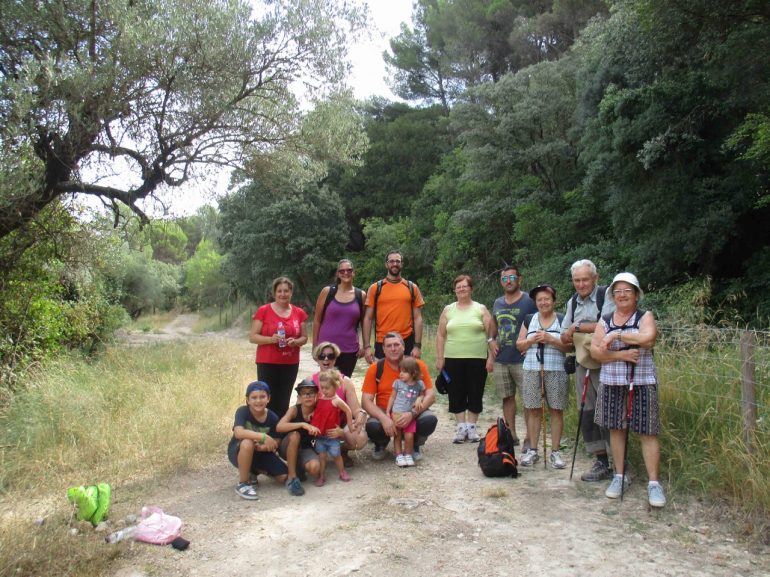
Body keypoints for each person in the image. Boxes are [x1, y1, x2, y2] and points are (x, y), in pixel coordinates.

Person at [591, 272, 666, 508]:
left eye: (627, 291)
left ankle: (654, 483)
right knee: (616, 429)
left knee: (648, 431)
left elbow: (649, 338)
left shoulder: (645, 316)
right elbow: (596, 352)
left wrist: (616, 334)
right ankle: (619, 476)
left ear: (636, 294)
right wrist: (621, 354)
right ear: (612, 295)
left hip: (642, 380)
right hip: (612, 381)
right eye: (617, 292)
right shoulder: (604, 319)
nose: (622, 295)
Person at [560, 259, 615, 482]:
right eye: (576, 280)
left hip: (609, 364)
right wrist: (568, 333)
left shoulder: (606, 296)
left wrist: (578, 327)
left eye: (585, 279)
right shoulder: (572, 302)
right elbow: (565, 332)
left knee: (610, 412)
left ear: (595, 277)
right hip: (584, 363)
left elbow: (610, 323)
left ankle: (618, 462)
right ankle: (600, 460)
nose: (581, 284)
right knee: (588, 412)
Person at [516, 284, 572, 468]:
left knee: (556, 410)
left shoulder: (563, 320)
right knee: (533, 409)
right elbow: (519, 345)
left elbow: (569, 347)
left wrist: (551, 339)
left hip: (556, 370)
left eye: (547, 299)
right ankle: (533, 450)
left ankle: (555, 452)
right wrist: (531, 340)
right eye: (539, 300)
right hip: (532, 368)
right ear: (535, 302)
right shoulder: (529, 319)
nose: (543, 302)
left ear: (554, 301)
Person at [436, 275, 495, 443]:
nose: (461, 289)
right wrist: (440, 358)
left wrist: (491, 357)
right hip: (453, 358)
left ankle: (472, 427)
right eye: (458, 287)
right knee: (456, 392)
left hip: (477, 358)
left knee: (475, 391)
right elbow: (440, 335)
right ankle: (461, 428)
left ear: (471, 289)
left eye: (465, 286)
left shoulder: (481, 309)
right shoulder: (448, 310)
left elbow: (491, 335)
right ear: (454, 290)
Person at [361, 332, 438, 461]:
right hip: (386, 410)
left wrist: (412, 413)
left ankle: (414, 444)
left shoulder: (417, 365)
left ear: (403, 347)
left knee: (429, 420)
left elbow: (430, 396)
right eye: (389, 346)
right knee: (373, 426)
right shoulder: (375, 368)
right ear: (383, 350)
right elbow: (366, 401)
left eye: (396, 344)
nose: (393, 348)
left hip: (412, 409)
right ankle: (381, 444)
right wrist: (384, 418)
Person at [490, 266, 537, 447]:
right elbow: (493, 324)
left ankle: (529, 438)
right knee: (507, 398)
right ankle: (511, 435)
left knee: (529, 400)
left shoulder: (529, 301)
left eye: (511, 277)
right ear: (501, 282)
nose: (508, 281)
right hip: (502, 358)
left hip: (523, 359)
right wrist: (490, 340)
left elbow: (540, 321)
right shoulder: (498, 303)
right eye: (504, 279)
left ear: (519, 279)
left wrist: (531, 343)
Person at [249, 276, 308, 417]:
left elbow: (305, 338)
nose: (283, 294)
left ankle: (280, 433)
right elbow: (253, 337)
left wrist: (296, 342)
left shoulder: (299, 313)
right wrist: (271, 339)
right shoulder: (263, 310)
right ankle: (265, 430)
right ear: (274, 293)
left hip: (290, 363)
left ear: (291, 292)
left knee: (284, 399)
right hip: (267, 362)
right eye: (279, 291)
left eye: (286, 291)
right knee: (266, 398)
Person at [227, 381, 288, 500]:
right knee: (247, 442)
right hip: (238, 451)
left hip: (260, 452)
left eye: (262, 397)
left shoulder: (272, 417)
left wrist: (265, 447)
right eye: (254, 397)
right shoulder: (243, 411)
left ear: (268, 398)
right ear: (248, 400)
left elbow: (276, 440)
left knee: (284, 477)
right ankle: (243, 483)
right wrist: (263, 437)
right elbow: (238, 433)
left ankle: (253, 471)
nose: (258, 401)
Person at [362, 250, 425, 362]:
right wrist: (367, 347)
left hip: (406, 341)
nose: (394, 264)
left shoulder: (411, 287)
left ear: (402, 264)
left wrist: (417, 346)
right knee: (383, 377)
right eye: (391, 261)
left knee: (407, 377)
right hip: (382, 342)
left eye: (397, 261)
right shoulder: (375, 288)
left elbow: (418, 318)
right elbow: (367, 318)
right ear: (386, 264)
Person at [311, 341, 368, 461]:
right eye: (322, 356)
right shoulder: (310, 381)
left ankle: (341, 450)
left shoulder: (345, 381)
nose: (326, 359)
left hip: (339, 424)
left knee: (359, 437)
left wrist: (361, 414)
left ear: (335, 359)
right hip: (318, 425)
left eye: (330, 356)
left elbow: (356, 409)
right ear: (317, 359)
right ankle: (314, 452)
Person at [311, 259, 365, 377]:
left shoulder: (360, 295)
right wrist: (315, 346)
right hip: (326, 349)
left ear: (353, 272)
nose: (346, 273)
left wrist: (363, 344)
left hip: (350, 349)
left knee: (344, 384)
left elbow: (364, 323)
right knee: (326, 383)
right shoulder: (327, 292)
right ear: (338, 274)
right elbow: (317, 320)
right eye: (342, 271)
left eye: (349, 270)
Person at [276, 379, 323, 497]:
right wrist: (303, 424)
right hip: (287, 446)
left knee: (315, 468)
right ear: (299, 397)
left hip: (305, 448)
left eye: (311, 393)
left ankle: (298, 468)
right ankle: (292, 478)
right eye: (304, 393)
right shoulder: (294, 410)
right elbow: (279, 427)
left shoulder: (319, 410)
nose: (308, 396)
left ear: (317, 395)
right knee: (295, 435)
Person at [311, 371, 355, 486]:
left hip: (332, 435)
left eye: (327, 388)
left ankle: (342, 471)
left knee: (336, 455)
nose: (324, 390)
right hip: (320, 435)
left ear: (335, 386)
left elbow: (348, 410)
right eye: (322, 387)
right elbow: (316, 410)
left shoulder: (337, 400)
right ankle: (322, 475)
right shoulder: (320, 397)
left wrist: (349, 425)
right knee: (322, 456)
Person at [386, 357, 426, 467]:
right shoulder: (398, 383)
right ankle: (398, 455)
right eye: (400, 371)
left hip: (410, 415)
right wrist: (387, 412)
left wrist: (419, 399)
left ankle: (408, 454)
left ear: (413, 373)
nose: (401, 374)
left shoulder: (419, 384)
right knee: (397, 435)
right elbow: (392, 397)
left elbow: (423, 394)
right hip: (396, 413)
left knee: (409, 436)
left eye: (404, 372)